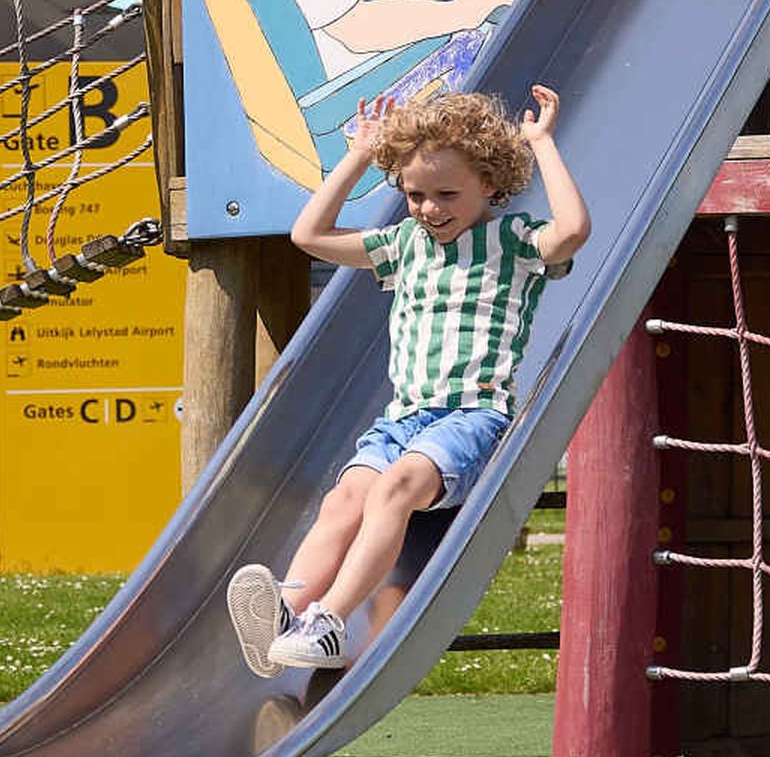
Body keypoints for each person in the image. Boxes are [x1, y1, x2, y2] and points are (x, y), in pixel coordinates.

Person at [229, 84, 589, 674]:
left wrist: (541, 143)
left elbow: (572, 230)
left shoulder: (514, 240)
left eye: (447, 194)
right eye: (415, 194)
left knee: (394, 488)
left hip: (473, 415)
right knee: (345, 498)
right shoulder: (404, 244)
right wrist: (360, 156)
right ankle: (289, 614)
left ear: (492, 185)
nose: (429, 208)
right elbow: (309, 236)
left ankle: (331, 622)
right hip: (402, 419)